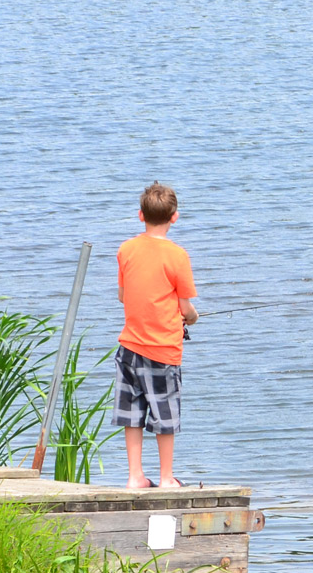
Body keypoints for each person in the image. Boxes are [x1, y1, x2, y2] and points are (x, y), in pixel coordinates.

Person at [112, 182, 198, 489]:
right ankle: (165, 477)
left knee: (131, 412)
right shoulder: (177, 256)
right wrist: (192, 317)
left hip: (129, 347)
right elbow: (185, 307)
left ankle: (135, 476)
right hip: (163, 350)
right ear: (174, 217)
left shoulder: (126, 249)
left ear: (140, 215)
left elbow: (123, 295)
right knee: (165, 414)